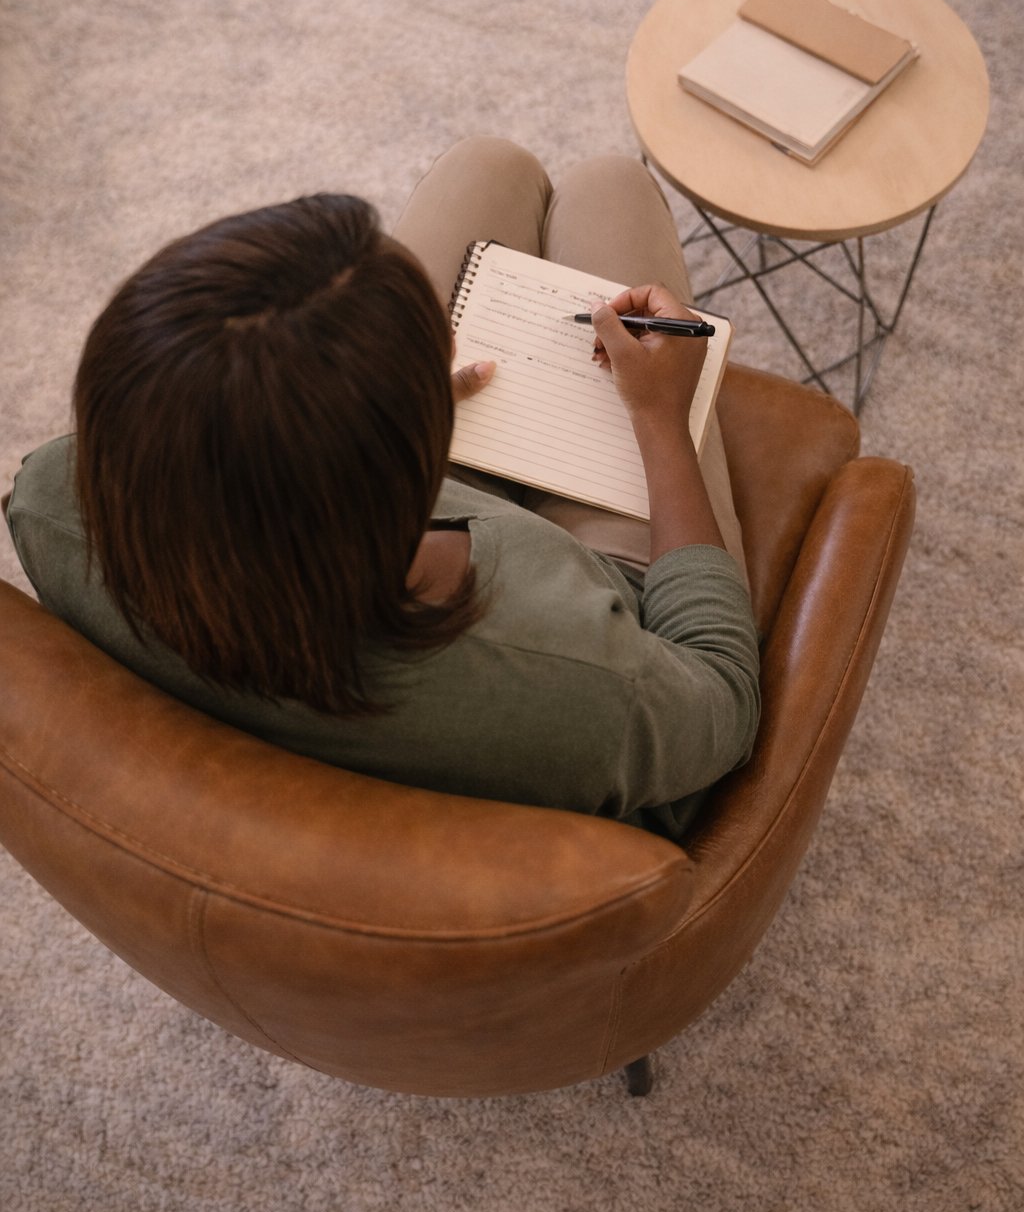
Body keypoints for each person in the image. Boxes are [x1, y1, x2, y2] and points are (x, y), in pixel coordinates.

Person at [5, 138, 759, 841]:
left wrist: (351, 414)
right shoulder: (590, 684)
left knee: (490, 166)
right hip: (619, 596)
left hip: (342, 518)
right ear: (408, 481)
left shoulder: (53, 502)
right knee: (610, 182)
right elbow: (721, 697)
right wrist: (659, 418)